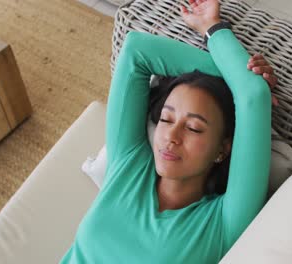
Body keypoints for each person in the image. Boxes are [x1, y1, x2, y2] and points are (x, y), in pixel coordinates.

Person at [60, 0, 277, 262]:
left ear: (222, 148)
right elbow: (136, 50)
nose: (171, 137)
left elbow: (253, 95)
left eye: (194, 128)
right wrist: (235, 72)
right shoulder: (129, 167)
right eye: (165, 119)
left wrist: (214, 29)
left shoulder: (222, 222)